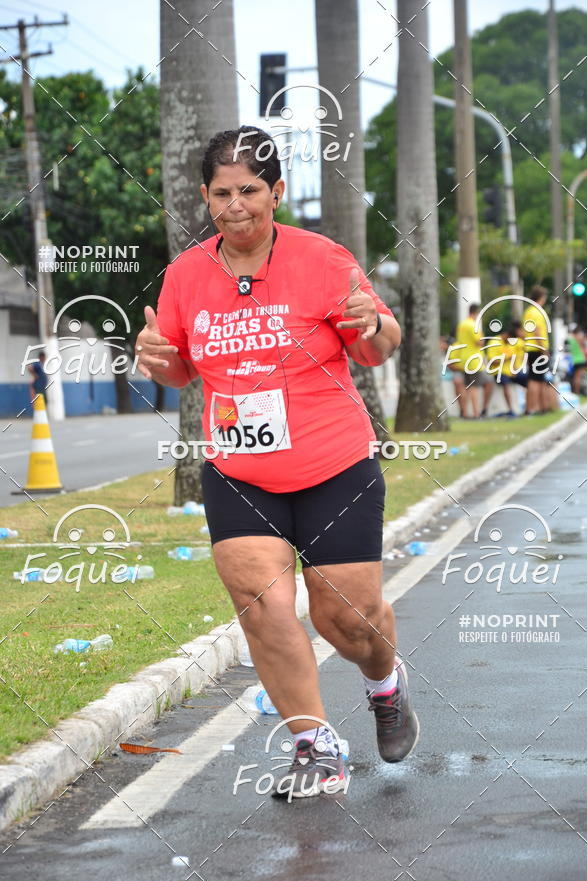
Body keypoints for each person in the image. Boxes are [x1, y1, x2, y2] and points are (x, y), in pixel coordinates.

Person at [135, 126, 418, 800]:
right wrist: (157, 358)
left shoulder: (322, 258)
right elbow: (178, 368)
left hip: (334, 466)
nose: (236, 205)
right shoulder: (185, 274)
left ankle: (384, 682)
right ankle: (314, 745)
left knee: (346, 619)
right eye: (222, 193)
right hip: (240, 468)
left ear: (276, 192)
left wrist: (372, 327)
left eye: (251, 191)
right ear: (205, 197)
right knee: (262, 605)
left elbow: (380, 344)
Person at [449, 304, 493, 417]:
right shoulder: (473, 325)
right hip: (473, 360)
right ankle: (476, 413)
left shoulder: (462, 325)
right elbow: (480, 342)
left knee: (467, 385)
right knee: (474, 387)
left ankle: (465, 412)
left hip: (464, 359)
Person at [522, 285, 555, 413]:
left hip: (529, 348)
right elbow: (538, 332)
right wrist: (543, 349)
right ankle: (535, 407)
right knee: (536, 380)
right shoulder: (538, 311)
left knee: (535, 379)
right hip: (538, 349)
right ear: (541, 297)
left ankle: (535, 407)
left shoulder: (528, 311)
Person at [486, 322, 528, 416]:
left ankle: (528, 409)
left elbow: (514, 359)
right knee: (505, 383)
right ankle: (510, 410)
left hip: (511, 372)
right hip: (498, 372)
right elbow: (492, 361)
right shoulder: (494, 342)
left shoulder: (510, 343)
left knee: (530, 381)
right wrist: (505, 359)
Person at [567, 324, 587, 394]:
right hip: (580, 359)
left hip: (573, 360)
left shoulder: (570, 339)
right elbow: (583, 348)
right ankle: (577, 392)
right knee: (578, 378)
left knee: (574, 377)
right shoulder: (579, 338)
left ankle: (574, 392)